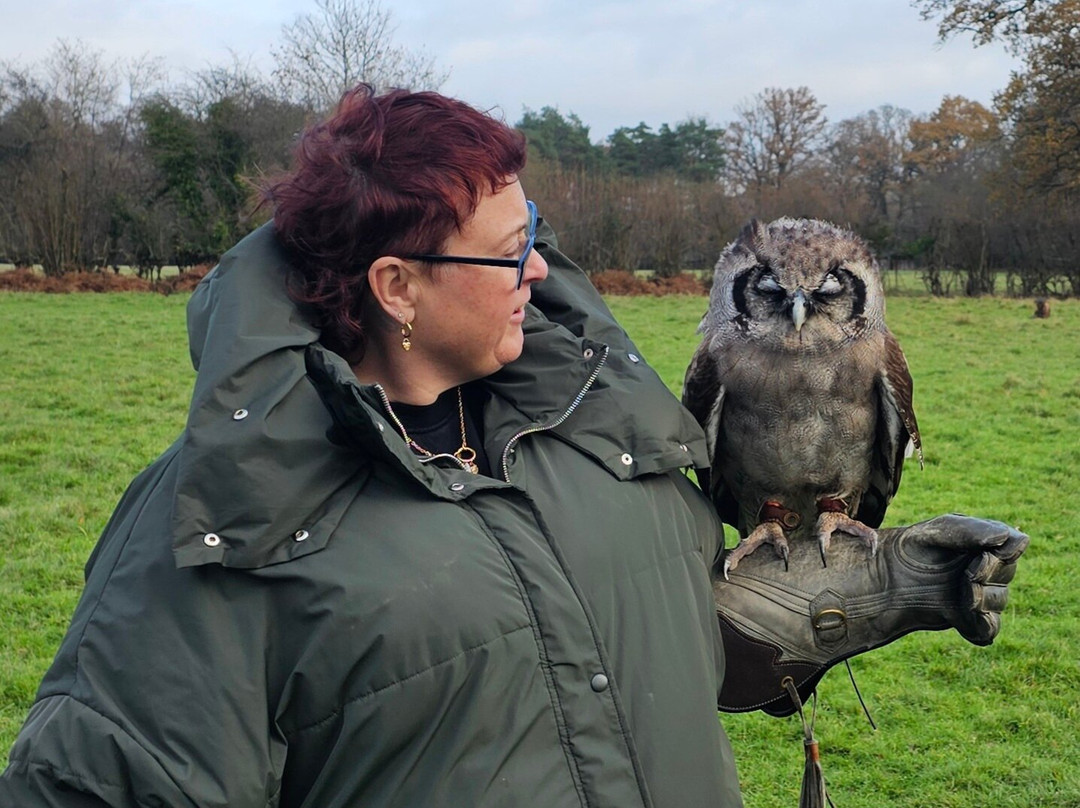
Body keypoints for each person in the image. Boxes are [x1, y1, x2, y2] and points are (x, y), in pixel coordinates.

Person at [0, 85, 1027, 808]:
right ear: (396, 287)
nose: (539, 268)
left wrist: (879, 590)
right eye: (503, 252)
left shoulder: (598, 433)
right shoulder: (224, 523)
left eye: (531, 229)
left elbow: (673, 639)